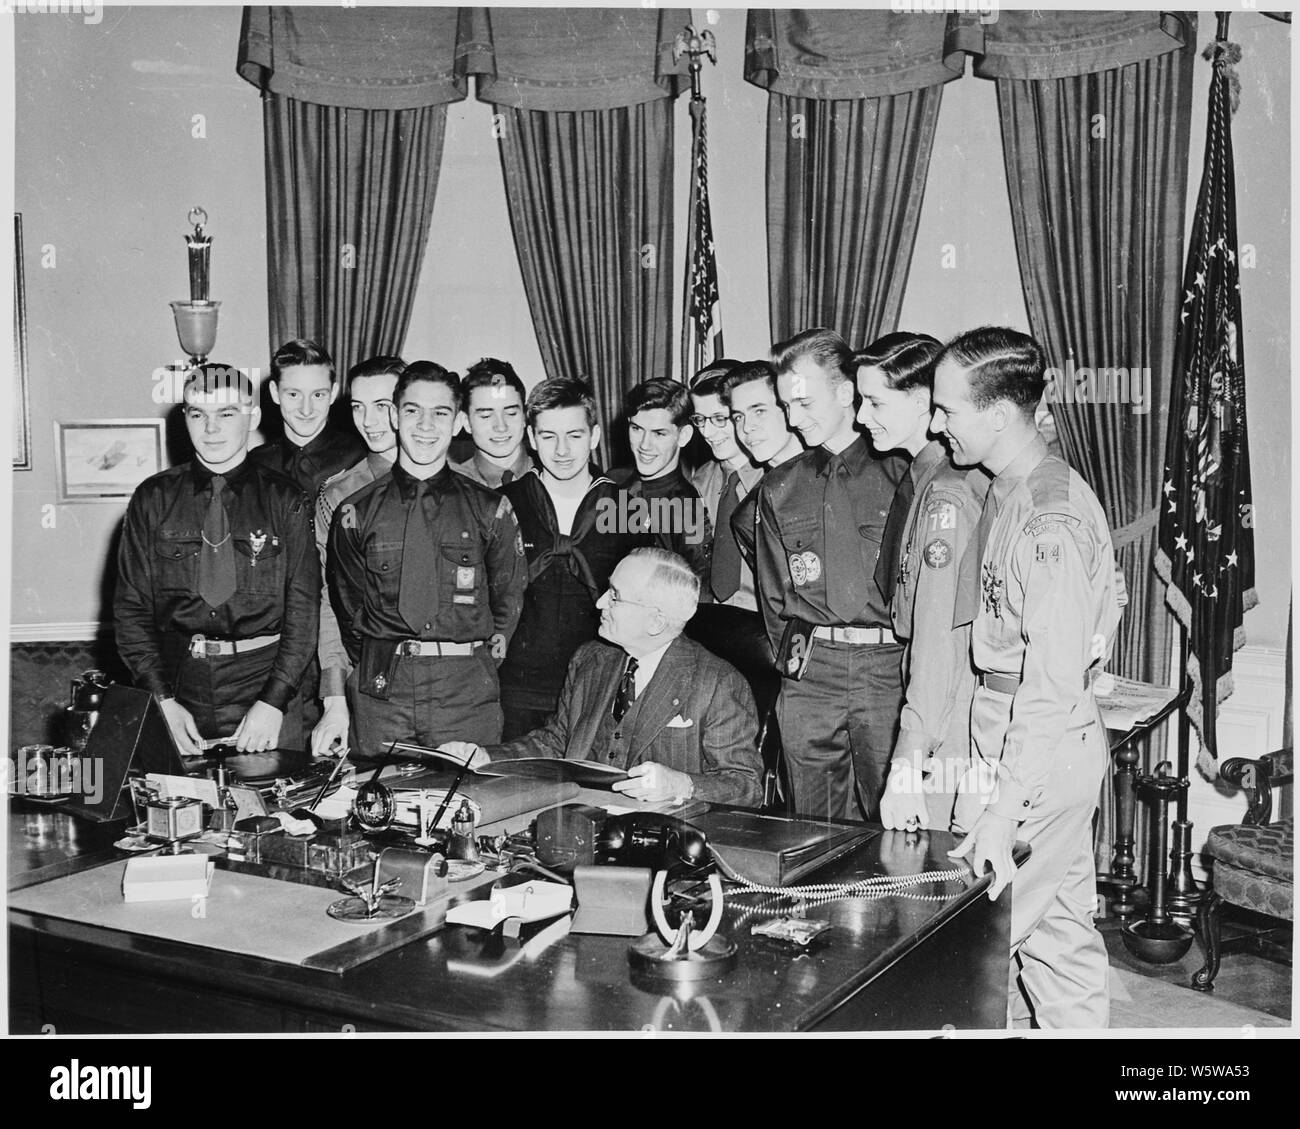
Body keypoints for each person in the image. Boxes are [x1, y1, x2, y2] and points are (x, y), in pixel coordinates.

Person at [931, 326, 1121, 1029]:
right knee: (1059, 946)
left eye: (947, 409)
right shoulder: (1017, 489)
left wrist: (1005, 807)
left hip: (1034, 754)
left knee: (963, 948)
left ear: (999, 414)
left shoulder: (1050, 515)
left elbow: (1050, 683)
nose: (935, 422)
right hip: (1026, 743)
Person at [440, 548, 763, 807]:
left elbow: (746, 786)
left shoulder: (717, 683)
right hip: (576, 821)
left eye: (615, 595)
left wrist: (682, 784)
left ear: (655, 621)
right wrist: (487, 757)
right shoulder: (590, 660)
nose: (599, 603)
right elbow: (555, 742)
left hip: (663, 837)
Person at [327, 362, 526, 758]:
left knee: (468, 807)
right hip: (383, 693)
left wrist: (472, 667)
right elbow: (349, 608)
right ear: (394, 416)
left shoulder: (491, 509)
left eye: (441, 413)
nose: (425, 425)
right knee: (379, 809)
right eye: (413, 410)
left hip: (464, 693)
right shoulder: (354, 512)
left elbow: (509, 601)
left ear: (458, 424)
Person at [115, 364, 317, 754]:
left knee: (273, 811)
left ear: (252, 417)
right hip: (178, 685)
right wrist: (161, 701)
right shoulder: (153, 499)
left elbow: (304, 611)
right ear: (185, 419)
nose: (211, 429)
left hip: (264, 684)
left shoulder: (285, 499)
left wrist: (274, 702)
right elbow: (130, 609)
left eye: (226, 414)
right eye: (198, 414)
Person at [754, 328, 907, 821]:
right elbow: (775, 596)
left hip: (888, 670)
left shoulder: (904, 474)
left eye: (804, 403)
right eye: (786, 407)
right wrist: (800, 671)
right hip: (811, 676)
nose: (794, 420)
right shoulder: (780, 487)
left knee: (895, 827)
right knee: (813, 831)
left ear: (846, 393)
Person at [853, 333, 988, 833]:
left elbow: (938, 640)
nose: (861, 417)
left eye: (874, 402)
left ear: (920, 401)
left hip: (949, 714)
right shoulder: (925, 478)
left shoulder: (946, 497)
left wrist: (910, 758)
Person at [498, 378, 652, 739]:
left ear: (595, 436)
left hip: (597, 687)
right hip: (515, 687)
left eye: (575, 435)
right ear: (532, 440)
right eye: (549, 436)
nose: (562, 450)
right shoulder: (504, 504)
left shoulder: (627, 509)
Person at [310, 355, 404, 756]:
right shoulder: (338, 495)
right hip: (372, 678)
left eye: (382, 406)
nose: (369, 421)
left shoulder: (462, 486)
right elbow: (326, 598)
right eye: (358, 408)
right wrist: (334, 698)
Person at [611, 378, 712, 577]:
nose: (644, 445)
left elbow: (700, 592)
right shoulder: (613, 484)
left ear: (683, 436)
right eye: (636, 429)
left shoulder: (687, 510)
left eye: (659, 433)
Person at [250, 338, 366, 496]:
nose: (306, 410)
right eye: (293, 394)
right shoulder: (255, 463)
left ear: (333, 393)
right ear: (275, 393)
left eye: (318, 395)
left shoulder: (359, 459)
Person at [720, 359, 805, 569]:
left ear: (788, 408)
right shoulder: (748, 513)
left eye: (759, 411)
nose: (747, 427)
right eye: (739, 417)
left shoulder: (836, 476)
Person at [450, 358, 532, 488]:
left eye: (511, 413)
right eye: (486, 416)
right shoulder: (454, 486)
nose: (501, 427)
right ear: (466, 422)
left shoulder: (552, 474)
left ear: (524, 416)